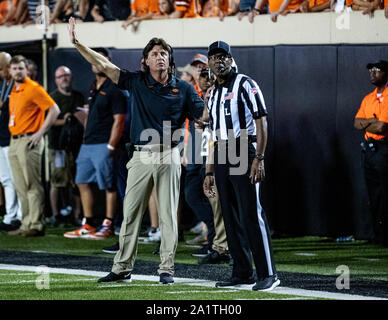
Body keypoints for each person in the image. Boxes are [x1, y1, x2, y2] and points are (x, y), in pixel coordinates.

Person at [66, 17, 204, 284]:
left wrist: (215, 95)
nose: (159, 57)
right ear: (146, 61)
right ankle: (122, 268)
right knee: (130, 214)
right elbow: (104, 65)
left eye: (164, 53)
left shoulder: (184, 88)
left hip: (169, 154)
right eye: (154, 53)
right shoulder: (135, 82)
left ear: (170, 60)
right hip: (140, 155)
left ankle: (167, 269)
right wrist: (77, 43)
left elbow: (203, 117)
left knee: (168, 216)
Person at [203, 41, 279, 291]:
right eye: (214, 57)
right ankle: (242, 271)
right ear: (209, 63)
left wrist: (259, 157)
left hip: (244, 148)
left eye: (222, 56)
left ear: (231, 59)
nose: (218, 61)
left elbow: (261, 120)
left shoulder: (246, 83)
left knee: (250, 212)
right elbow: (213, 133)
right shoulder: (212, 93)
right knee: (230, 216)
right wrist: (210, 171)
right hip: (223, 150)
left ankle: (268, 273)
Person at [64, 47, 126, 240]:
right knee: (81, 181)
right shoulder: (93, 86)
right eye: (94, 59)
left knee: (108, 185)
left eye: (101, 59)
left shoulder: (114, 86)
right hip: (88, 143)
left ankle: (108, 224)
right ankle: (89, 223)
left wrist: (111, 145)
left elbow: (120, 119)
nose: (97, 63)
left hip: (103, 143)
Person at [7, 55, 60, 237]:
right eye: (14, 69)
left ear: (26, 70)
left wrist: (40, 133)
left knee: (32, 184)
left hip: (30, 140)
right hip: (14, 140)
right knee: (20, 185)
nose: (17, 72)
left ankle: (36, 224)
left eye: (20, 68)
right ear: (9, 71)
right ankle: (26, 223)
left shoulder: (33, 88)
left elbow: (55, 110)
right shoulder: (15, 89)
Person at [354, 60, 388, 247]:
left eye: (377, 70)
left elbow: (382, 127)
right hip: (370, 149)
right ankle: (378, 235)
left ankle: (384, 236)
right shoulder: (369, 98)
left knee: (384, 193)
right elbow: (356, 123)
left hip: (384, 148)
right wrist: (371, 121)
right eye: (371, 70)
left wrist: (367, 122)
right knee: (373, 193)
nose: (373, 73)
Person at [47, 66, 84, 226]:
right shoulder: (52, 97)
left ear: (71, 77)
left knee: (76, 181)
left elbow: (84, 116)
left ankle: (77, 216)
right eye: (60, 76)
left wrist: (77, 118)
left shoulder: (78, 96)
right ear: (56, 80)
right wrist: (67, 119)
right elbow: (48, 122)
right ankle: (56, 215)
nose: (64, 78)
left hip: (76, 146)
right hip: (58, 147)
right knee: (57, 181)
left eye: (66, 75)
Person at [0, 51, 22, 232]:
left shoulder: (18, 86)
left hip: (13, 138)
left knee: (18, 179)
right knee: (6, 179)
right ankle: (9, 216)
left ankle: (22, 216)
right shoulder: (3, 84)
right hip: (1, 138)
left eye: (2, 68)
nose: (0, 72)